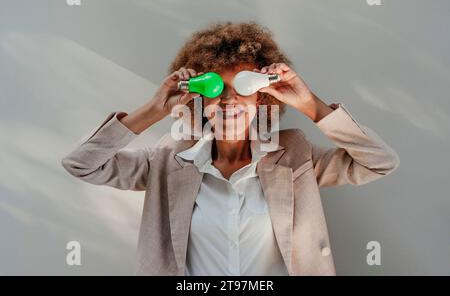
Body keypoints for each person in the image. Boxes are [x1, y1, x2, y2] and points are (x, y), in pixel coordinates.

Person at [61, 22, 399, 275]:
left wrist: (311, 105)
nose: (227, 99)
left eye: (242, 86)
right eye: (214, 87)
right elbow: (81, 164)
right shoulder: (168, 159)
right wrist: (153, 109)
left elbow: (380, 162)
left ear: (262, 96)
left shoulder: (296, 157)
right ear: (199, 98)